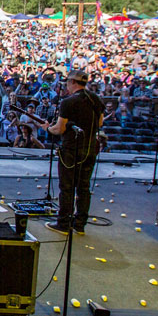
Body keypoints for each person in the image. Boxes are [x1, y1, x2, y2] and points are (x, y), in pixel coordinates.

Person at [45, 68, 104, 235]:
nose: (66, 87)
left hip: (71, 149)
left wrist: (48, 128)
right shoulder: (95, 99)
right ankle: (80, 225)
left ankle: (63, 223)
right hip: (90, 148)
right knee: (84, 187)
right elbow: (99, 123)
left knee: (67, 187)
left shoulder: (68, 102)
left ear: (72, 82)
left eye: (67, 83)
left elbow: (60, 128)